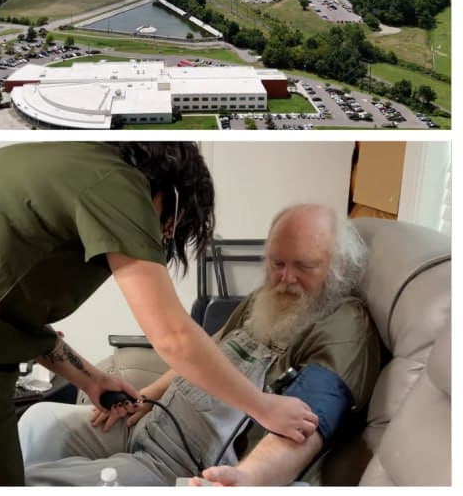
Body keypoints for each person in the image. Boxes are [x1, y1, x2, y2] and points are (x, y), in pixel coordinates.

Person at [0, 143, 318, 486]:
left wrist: (92, 379)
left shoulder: (52, 163)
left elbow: (5, 305)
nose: (163, 235)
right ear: (168, 192)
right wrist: (266, 408)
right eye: (168, 226)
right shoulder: (118, 186)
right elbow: (173, 335)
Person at [20, 203, 380, 487]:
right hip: (150, 427)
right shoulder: (265, 300)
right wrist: (147, 398)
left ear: (339, 267)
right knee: (37, 421)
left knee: (25, 483)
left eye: (304, 266)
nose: (285, 278)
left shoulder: (343, 326)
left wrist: (250, 478)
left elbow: (306, 428)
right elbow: (202, 356)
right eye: (277, 263)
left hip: (176, 468)